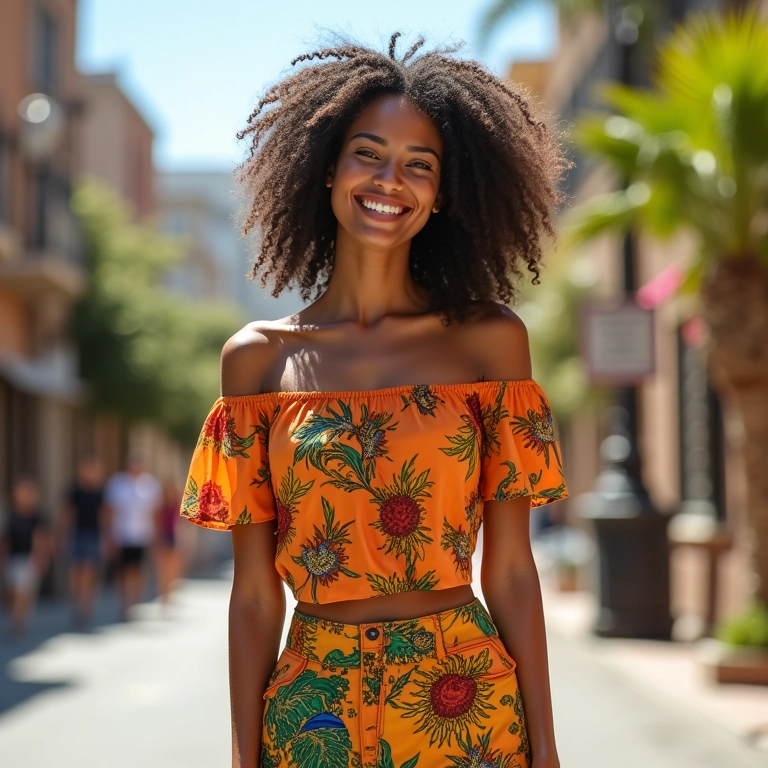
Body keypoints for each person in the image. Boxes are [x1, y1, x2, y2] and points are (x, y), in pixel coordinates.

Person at [180, 34, 571, 768]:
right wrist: (243, 755)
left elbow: (513, 569)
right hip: (311, 712)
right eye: (369, 153)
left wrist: (545, 749)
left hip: (466, 708)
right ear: (327, 167)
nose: (391, 180)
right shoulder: (258, 360)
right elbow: (255, 596)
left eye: (419, 165)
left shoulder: (489, 344)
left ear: (443, 194)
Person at [104, 454, 161, 621]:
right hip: (121, 535)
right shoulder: (117, 484)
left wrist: (155, 537)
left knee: (138, 570)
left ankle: (135, 602)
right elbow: (109, 511)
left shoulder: (150, 485)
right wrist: (109, 535)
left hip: (142, 535)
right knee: (122, 571)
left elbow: (155, 514)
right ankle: (124, 603)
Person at [1, 476, 50, 638]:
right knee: (13, 592)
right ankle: (15, 617)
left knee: (25, 591)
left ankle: (20, 621)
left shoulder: (37, 516)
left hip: (29, 558)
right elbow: (5, 540)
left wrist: (42, 558)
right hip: (13, 557)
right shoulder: (10, 514)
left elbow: (43, 539)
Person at [61, 455, 107, 627]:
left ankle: (86, 607)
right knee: (75, 573)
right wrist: (63, 536)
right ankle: (77, 603)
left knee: (89, 572)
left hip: (94, 535)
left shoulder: (100, 492)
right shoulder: (74, 491)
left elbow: (104, 516)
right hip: (77, 534)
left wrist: (106, 538)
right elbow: (67, 515)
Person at [154, 478, 183, 616]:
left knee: (172, 570)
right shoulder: (161, 508)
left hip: (174, 539)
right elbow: (157, 525)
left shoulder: (177, 507)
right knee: (163, 570)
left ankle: (169, 594)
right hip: (164, 539)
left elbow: (182, 526)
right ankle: (163, 595)